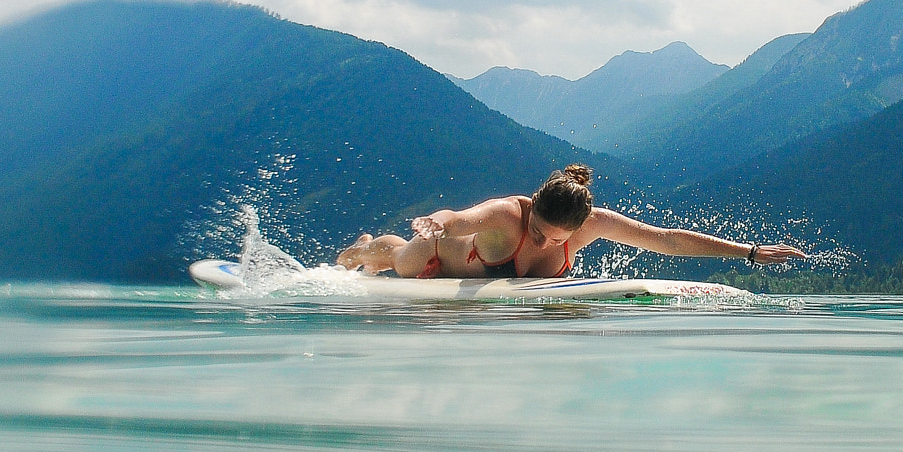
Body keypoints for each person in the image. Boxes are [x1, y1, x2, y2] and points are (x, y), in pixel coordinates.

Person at [336, 165, 810, 278]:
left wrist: (748, 251)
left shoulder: (594, 223)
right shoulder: (508, 213)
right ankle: (365, 248)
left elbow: (665, 240)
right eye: (537, 229)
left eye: (551, 238)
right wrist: (435, 223)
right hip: (437, 259)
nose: (539, 239)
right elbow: (461, 218)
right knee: (393, 259)